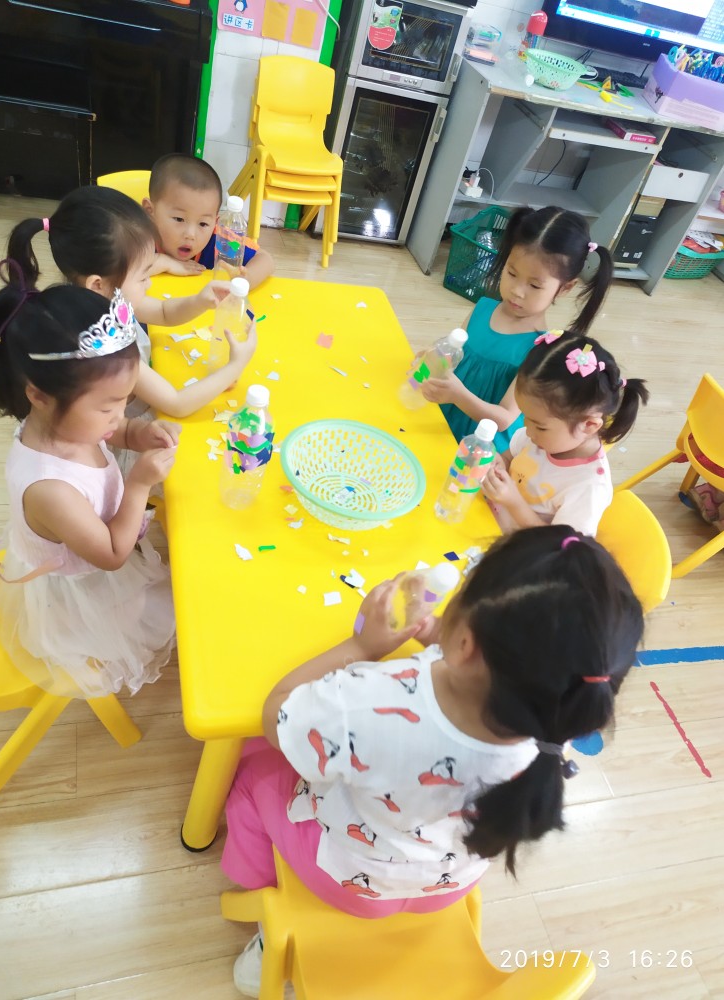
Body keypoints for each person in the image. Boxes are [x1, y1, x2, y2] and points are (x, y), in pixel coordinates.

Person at [220, 526, 644, 997]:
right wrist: (439, 640)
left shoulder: (366, 703)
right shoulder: (552, 724)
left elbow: (276, 715)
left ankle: (264, 919)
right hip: (447, 887)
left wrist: (361, 648)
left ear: (466, 646)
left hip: (348, 880)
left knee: (251, 765)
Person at [0, 273, 177, 698]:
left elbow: (115, 431)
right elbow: (112, 555)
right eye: (108, 407)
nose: (119, 415)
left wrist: (139, 432)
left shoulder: (66, 422)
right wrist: (138, 483)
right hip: (77, 594)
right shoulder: (51, 489)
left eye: (125, 401)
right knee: (158, 608)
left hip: (92, 547)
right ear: (39, 396)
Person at [5, 187, 258, 469]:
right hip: (126, 436)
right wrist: (236, 365)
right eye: (143, 276)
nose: (149, 284)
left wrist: (200, 300)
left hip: (132, 424)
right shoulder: (103, 345)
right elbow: (176, 403)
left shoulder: (104, 303)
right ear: (98, 284)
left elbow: (163, 311)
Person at [421, 206, 613, 452]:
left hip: (479, 442)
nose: (517, 290)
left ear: (565, 288)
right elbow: (455, 356)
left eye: (534, 285)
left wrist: (457, 395)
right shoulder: (483, 308)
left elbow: (504, 418)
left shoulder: (541, 348)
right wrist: (435, 358)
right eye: (512, 273)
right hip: (443, 416)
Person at [481, 331, 648, 536]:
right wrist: (499, 463)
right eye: (525, 416)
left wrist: (514, 502)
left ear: (589, 425)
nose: (527, 429)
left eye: (540, 426)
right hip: (485, 519)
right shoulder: (542, 437)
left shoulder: (588, 487)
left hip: (517, 547)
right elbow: (509, 457)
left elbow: (559, 543)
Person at [143, 152, 274, 286]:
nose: (191, 234)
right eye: (179, 219)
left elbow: (264, 258)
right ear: (149, 211)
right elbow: (129, 266)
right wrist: (163, 262)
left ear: (215, 222)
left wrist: (246, 279)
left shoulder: (219, 242)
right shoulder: (139, 237)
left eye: (203, 224)